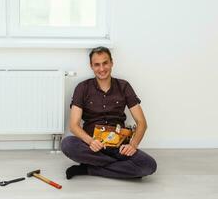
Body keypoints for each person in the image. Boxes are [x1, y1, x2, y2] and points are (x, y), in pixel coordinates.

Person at [61, 46, 157, 180]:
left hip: (119, 146)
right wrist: (90, 141)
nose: (102, 69)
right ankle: (124, 169)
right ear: (91, 66)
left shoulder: (124, 86)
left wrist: (133, 145)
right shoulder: (82, 88)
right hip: (92, 146)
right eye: (97, 65)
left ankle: (89, 169)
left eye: (105, 63)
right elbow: (73, 125)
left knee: (148, 165)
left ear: (112, 62)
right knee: (67, 144)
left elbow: (141, 123)